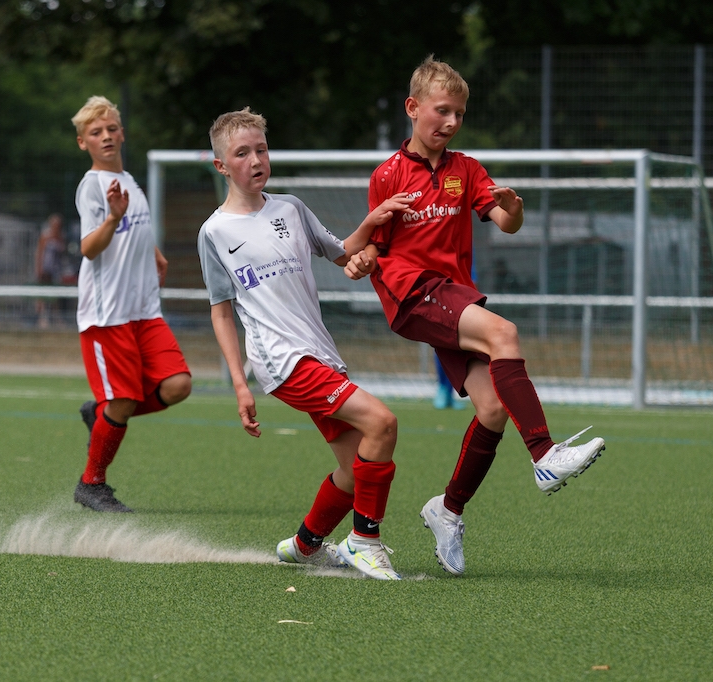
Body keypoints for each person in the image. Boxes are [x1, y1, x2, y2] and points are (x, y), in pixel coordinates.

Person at [344, 56, 606, 577]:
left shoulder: (466, 169)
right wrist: (363, 258)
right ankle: (544, 455)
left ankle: (448, 510)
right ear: (412, 108)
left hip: (451, 296)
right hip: (412, 293)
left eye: (459, 114)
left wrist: (515, 207)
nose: (451, 122)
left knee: (492, 410)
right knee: (503, 331)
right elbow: (375, 243)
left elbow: (505, 222)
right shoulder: (388, 174)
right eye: (442, 110)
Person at [199, 107, 410, 580]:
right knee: (383, 423)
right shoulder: (214, 232)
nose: (256, 160)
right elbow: (221, 310)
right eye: (242, 153)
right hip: (282, 361)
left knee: (354, 470)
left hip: (320, 353)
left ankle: (304, 545)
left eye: (261, 149)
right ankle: (364, 542)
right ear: (221, 166)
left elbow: (343, 253)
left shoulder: (291, 208)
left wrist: (372, 226)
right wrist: (239, 385)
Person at [70, 95, 192, 513]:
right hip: (108, 315)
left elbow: (134, 231)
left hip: (144, 310)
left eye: (111, 129)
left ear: (122, 133)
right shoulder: (92, 186)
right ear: (83, 142)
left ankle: (102, 415)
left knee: (178, 385)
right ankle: (92, 484)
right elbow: (89, 248)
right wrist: (112, 219)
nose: (105, 136)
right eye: (95, 132)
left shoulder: (129, 180)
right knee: (122, 401)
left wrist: (153, 252)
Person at [34, 213, 66, 328]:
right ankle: (42, 318)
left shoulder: (61, 237)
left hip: (56, 269)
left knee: (55, 295)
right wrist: (39, 268)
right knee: (43, 294)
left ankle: (56, 318)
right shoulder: (45, 236)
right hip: (45, 268)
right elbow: (39, 253)